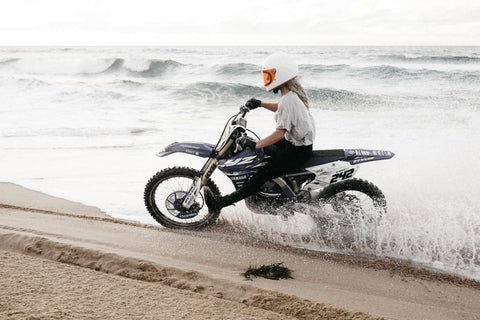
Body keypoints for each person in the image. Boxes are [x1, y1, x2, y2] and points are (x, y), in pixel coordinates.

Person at [204, 52, 316, 211]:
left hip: (296, 152)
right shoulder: (290, 96)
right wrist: (260, 104)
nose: (266, 79)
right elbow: (281, 108)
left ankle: (218, 204)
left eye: (269, 75)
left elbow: (279, 133)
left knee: (258, 177)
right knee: (260, 151)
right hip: (294, 145)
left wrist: (256, 144)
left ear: (280, 75)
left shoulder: (289, 99)